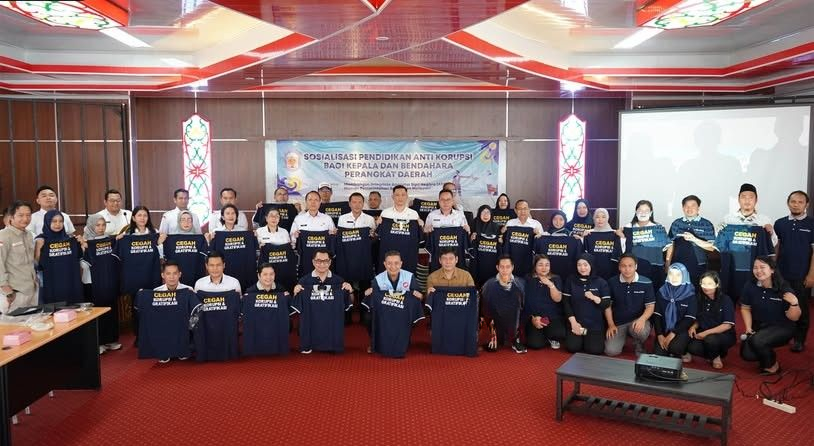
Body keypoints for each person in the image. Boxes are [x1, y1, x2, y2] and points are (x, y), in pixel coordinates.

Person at [740, 256, 801, 375]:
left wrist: (794, 303)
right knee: (747, 354)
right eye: (755, 267)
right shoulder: (750, 285)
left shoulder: (783, 287)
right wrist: (748, 327)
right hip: (760, 325)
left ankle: (772, 366)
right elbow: (745, 308)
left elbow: (795, 318)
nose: (758, 271)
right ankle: (765, 347)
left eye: (762, 267)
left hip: (782, 327)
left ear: (772, 270)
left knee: (758, 341)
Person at [773, 190, 814, 352]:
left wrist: (811, 275)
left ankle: (799, 339)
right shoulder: (780, 223)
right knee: (781, 306)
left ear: (806, 205)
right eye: (793, 201)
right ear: (788, 203)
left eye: (800, 202)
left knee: (801, 307)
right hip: (782, 274)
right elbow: (777, 247)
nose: (796, 205)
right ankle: (783, 336)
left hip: (802, 275)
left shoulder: (812, 224)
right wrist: (773, 270)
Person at [291, 249, 354, 354]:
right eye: (318, 261)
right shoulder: (304, 282)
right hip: (310, 332)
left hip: (333, 335)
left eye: (325, 261)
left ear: (330, 262)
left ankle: (332, 344)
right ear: (313, 262)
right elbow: (297, 305)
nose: (322, 264)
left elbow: (349, 304)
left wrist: (350, 291)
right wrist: (295, 293)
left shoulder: (339, 282)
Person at [363, 250, 424, 356]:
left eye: (396, 263)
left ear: (401, 263)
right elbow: (372, 300)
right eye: (389, 263)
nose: (393, 266)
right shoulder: (378, 279)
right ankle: (375, 341)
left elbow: (418, 298)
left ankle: (404, 339)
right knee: (367, 317)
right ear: (384, 264)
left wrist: (420, 296)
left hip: (402, 313)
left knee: (413, 315)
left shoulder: (409, 277)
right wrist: (367, 293)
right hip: (384, 314)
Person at [81, 213, 122, 354]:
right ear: (90, 226)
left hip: (108, 281)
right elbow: (83, 264)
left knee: (110, 310)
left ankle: (111, 339)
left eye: (103, 225)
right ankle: (98, 342)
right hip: (92, 283)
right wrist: (84, 248)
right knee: (96, 312)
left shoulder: (109, 240)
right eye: (97, 225)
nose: (101, 228)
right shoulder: (85, 242)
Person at [604, 254, 654, 356]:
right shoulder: (612, 282)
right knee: (611, 351)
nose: (627, 269)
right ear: (619, 267)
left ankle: (639, 343)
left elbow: (650, 306)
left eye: (630, 266)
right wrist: (611, 324)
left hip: (637, 321)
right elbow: (607, 306)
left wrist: (642, 319)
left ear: (636, 266)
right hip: (619, 323)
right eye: (624, 266)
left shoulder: (646, 282)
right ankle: (622, 338)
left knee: (641, 331)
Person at [562, 253, 610, 355]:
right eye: (579, 265)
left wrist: (595, 298)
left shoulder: (601, 282)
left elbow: (606, 304)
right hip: (576, 323)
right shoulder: (570, 280)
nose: (582, 268)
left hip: (594, 325)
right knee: (573, 347)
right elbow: (566, 303)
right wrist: (573, 323)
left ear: (591, 265)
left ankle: (587, 337)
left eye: (585, 265)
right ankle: (581, 337)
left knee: (594, 350)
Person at [686, 271, 736, 369]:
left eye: (710, 284)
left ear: (717, 284)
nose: (706, 287)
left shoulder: (726, 299)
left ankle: (716, 356)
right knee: (692, 347)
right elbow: (699, 318)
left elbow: (727, 325)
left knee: (711, 340)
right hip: (704, 332)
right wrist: (694, 326)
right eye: (703, 284)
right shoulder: (698, 298)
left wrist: (705, 333)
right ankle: (713, 353)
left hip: (723, 334)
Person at [34, 210, 84, 304]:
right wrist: (41, 248)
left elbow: (80, 257)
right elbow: (38, 263)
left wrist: (81, 244)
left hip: (71, 281)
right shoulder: (41, 240)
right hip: (53, 283)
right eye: (54, 221)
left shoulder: (70, 239)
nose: (58, 224)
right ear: (47, 222)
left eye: (61, 221)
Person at [666, 195, 716, 285]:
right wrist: (667, 263)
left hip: (699, 265)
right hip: (678, 265)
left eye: (693, 206)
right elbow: (670, 244)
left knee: (696, 289)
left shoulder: (706, 224)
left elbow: (711, 248)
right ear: (683, 208)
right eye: (686, 206)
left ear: (698, 208)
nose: (689, 208)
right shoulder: (676, 223)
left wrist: (694, 239)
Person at [481, 255, 527, 353]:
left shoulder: (521, 284)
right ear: (497, 267)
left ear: (512, 267)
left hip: (515, 320)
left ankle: (516, 338)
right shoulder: (489, 285)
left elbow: (524, 307)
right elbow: (485, 309)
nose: (505, 270)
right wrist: (491, 328)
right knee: (494, 347)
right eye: (502, 267)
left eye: (508, 267)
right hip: (496, 320)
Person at [151, 260, 193, 363]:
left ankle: (184, 348)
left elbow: (194, 313)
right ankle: (163, 349)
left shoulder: (189, 290)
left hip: (182, 326)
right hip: (164, 327)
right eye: (168, 273)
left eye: (175, 273)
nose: (172, 277)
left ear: (180, 274)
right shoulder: (156, 292)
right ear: (162, 275)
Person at [652, 263, 696, 361]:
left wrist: (673, 333)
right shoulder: (662, 291)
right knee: (658, 354)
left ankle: (685, 350)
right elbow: (657, 315)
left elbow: (689, 318)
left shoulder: (690, 293)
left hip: (682, 330)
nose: (674, 278)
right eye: (671, 274)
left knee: (675, 348)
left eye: (678, 275)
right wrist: (659, 335)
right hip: (664, 329)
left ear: (684, 276)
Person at [0, 201, 36, 314]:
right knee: (12, 324)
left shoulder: (29, 234)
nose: (25, 219)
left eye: (28, 215)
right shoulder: (3, 235)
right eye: (20, 215)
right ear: (11, 217)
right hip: (15, 293)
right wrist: (7, 290)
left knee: (32, 322)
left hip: (31, 290)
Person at [523, 255, 565, 350]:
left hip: (551, 317)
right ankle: (544, 336)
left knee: (559, 334)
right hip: (535, 317)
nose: (544, 268)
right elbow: (526, 301)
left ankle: (550, 336)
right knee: (535, 344)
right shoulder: (528, 278)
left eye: (547, 265)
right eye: (540, 265)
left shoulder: (556, 278)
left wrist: (550, 285)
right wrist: (533, 318)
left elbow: (558, 299)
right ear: (535, 266)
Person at [581, 208, 622, 280]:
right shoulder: (589, 233)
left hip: (611, 272)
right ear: (594, 219)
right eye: (597, 217)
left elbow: (621, 252)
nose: (600, 219)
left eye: (603, 217)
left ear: (607, 218)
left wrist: (622, 237)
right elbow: (583, 253)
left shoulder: (615, 233)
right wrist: (582, 237)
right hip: (594, 273)